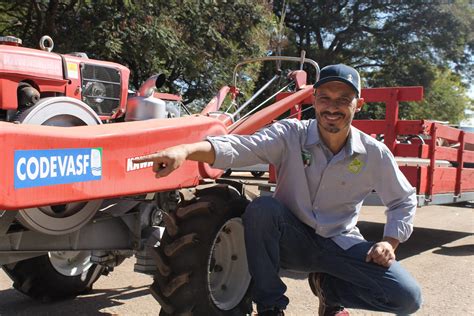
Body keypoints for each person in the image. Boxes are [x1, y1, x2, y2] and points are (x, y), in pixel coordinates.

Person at [133, 64, 422, 316]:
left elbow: (403, 199)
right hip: (290, 240)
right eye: (325, 98)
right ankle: (271, 307)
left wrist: (390, 242)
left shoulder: (373, 153)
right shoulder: (290, 134)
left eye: (343, 100)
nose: (332, 107)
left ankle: (329, 289)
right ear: (314, 100)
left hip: (339, 242)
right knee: (263, 209)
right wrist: (186, 151)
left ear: (358, 104)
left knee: (407, 298)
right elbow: (240, 147)